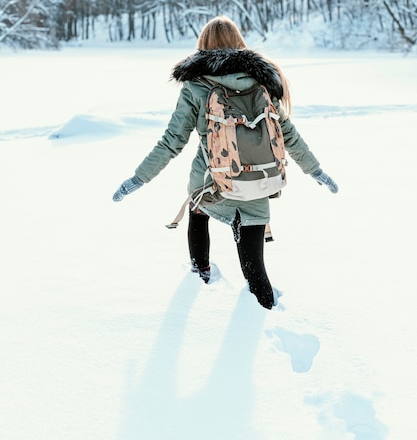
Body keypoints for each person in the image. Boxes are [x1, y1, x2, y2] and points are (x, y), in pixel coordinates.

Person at [113, 16, 338, 309]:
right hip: (259, 179)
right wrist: (315, 170)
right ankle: (265, 307)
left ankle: (201, 271)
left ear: (203, 46)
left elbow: (172, 141)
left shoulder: (196, 86)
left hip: (212, 180)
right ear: (239, 43)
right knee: (255, 266)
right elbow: (287, 134)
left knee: (197, 208)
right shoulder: (263, 81)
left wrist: (139, 178)